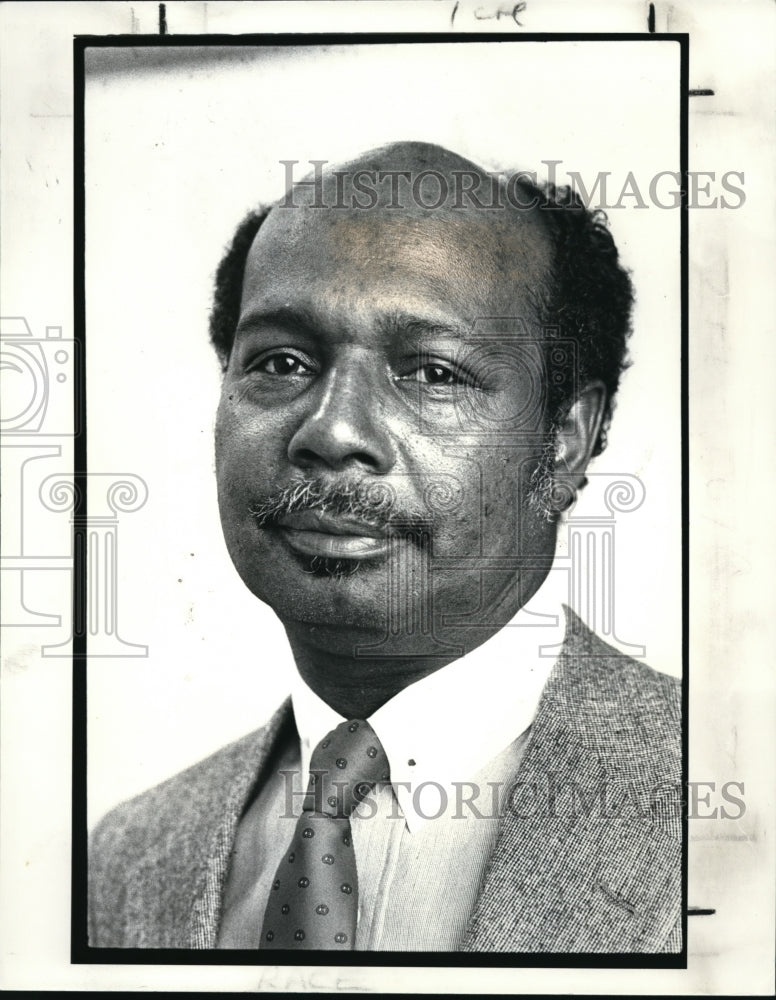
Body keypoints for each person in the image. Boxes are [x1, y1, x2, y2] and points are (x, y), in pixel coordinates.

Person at [88, 142, 682, 953]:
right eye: (282, 361)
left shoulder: (715, 802)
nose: (333, 429)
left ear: (565, 441)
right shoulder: (125, 860)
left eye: (433, 373)